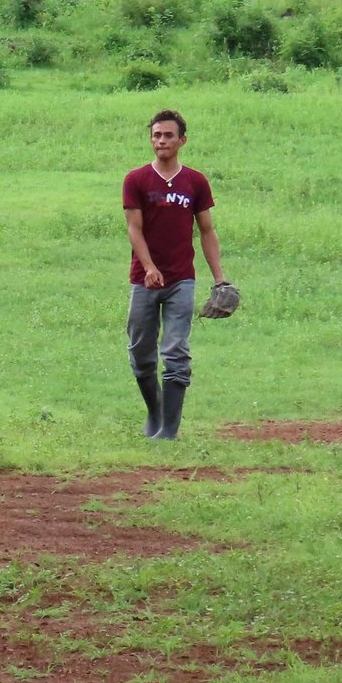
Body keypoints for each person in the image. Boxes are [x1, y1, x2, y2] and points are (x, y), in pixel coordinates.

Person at [122, 109, 228, 440]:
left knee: (175, 351)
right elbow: (133, 229)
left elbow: (207, 231)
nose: (162, 140)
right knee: (140, 352)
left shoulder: (195, 182)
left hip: (181, 279)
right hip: (144, 279)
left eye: (168, 135)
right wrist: (150, 267)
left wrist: (220, 279)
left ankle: (168, 431)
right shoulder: (136, 179)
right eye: (156, 135)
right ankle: (156, 414)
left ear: (182, 140)